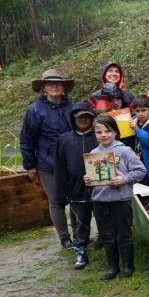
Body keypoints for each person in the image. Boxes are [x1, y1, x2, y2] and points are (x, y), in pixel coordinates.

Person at [85, 114, 146, 280]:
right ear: (94, 134)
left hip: (120, 200)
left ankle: (128, 265)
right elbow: (93, 176)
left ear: (115, 132)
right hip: (99, 201)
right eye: (99, 132)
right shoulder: (93, 153)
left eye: (108, 131)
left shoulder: (124, 151)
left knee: (123, 234)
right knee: (107, 235)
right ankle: (112, 267)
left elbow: (140, 171)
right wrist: (88, 180)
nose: (104, 135)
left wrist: (124, 179)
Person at [20, 68, 76, 249]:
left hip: (73, 162)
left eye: (58, 83)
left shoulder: (72, 107)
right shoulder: (35, 111)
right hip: (48, 164)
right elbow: (27, 140)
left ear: (64, 87)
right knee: (56, 201)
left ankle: (79, 234)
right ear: (43, 88)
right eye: (50, 83)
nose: (54, 86)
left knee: (77, 198)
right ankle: (64, 237)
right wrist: (29, 165)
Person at [54, 103, 97, 269]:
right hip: (76, 189)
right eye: (79, 117)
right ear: (73, 119)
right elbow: (60, 168)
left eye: (87, 116)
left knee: (105, 219)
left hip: (100, 189)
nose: (83, 119)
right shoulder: (64, 140)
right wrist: (61, 193)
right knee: (79, 222)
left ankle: (108, 246)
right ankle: (80, 250)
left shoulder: (99, 136)